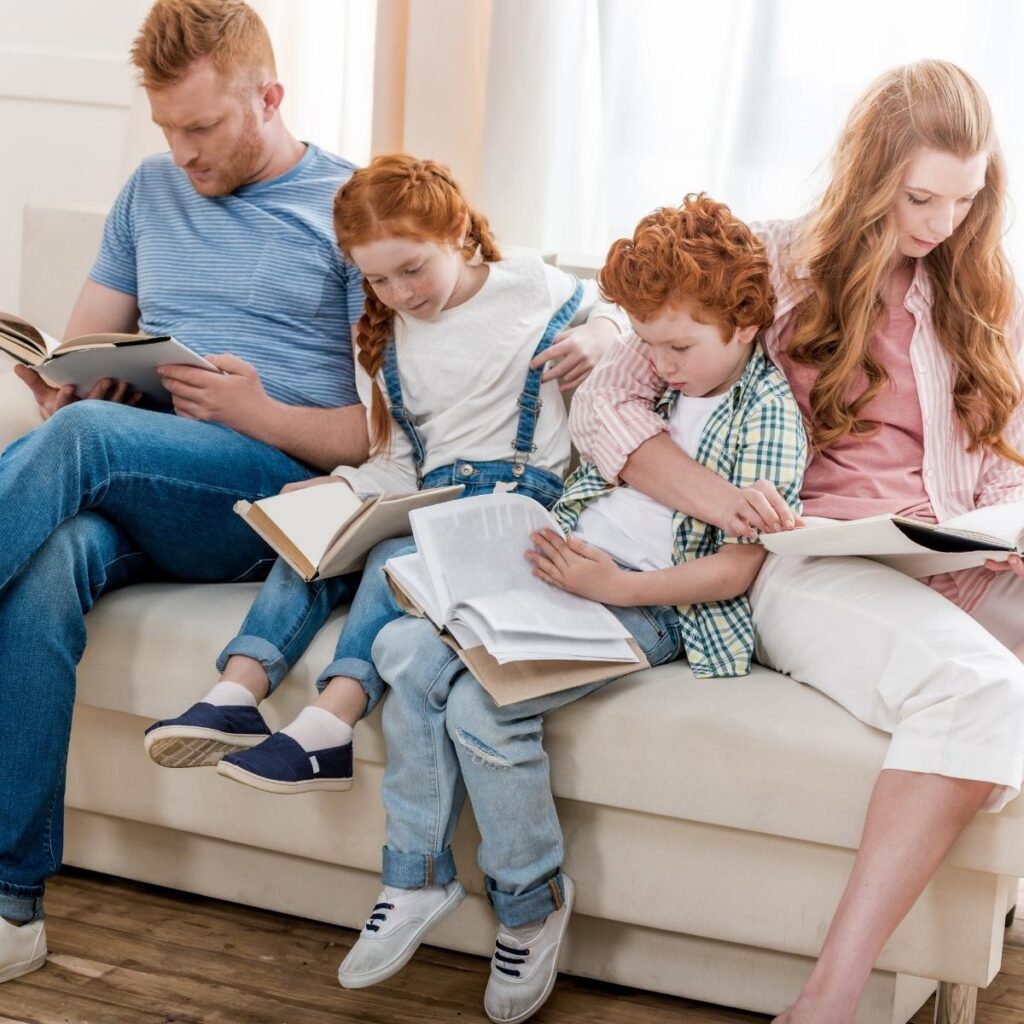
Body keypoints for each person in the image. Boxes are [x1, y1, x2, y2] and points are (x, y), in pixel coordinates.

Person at [569, 61, 1024, 1023]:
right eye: (920, 197)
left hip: (948, 554)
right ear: (870, 173)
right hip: (804, 559)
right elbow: (606, 399)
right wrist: (726, 501)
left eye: (967, 197)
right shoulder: (773, 264)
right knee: (979, 688)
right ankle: (828, 998)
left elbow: (997, 457)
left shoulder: (977, 291)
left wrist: (1003, 528)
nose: (943, 222)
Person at [336, 195, 807, 1024]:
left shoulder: (766, 411)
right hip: (563, 560)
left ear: (745, 320)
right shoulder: (650, 380)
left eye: (679, 346)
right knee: (404, 652)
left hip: (645, 600)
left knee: (486, 703)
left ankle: (529, 902)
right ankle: (415, 876)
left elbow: (736, 570)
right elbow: (605, 435)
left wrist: (617, 588)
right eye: (647, 342)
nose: (657, 364)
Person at [0, 0, 368, 981]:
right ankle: (12, 906)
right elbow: (78, 379)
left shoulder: (354, 211)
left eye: (203, 128)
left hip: (270, 490)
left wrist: (258, 410)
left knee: (83, 441)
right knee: (43, 572)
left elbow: (380, 437)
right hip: (144, 475)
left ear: (270, 96)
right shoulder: (148, 192)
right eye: (168, 127)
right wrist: (64, 384)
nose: (184, 151)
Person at [144, 153, 626, 793]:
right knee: (317, 542)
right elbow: (398, 464)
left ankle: (329, 724)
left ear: (456, 232)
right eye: (378, 280)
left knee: (395, 552)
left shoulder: (530, 287)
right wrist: (340, 488)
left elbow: (618, 308)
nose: (400, 293)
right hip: (431, 493)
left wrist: (601, 337)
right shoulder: (385, 339)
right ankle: (237, 690)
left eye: (412, 269)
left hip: (518, 505)